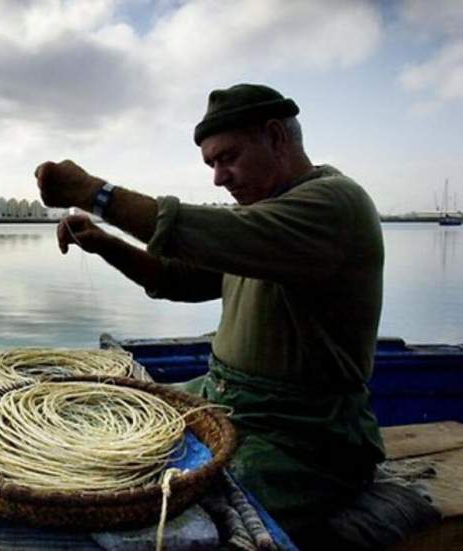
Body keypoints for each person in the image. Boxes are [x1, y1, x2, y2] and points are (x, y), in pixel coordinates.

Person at [34, 83, 386, 544]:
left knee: (186, 515)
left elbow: (191, 230)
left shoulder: (333, 205)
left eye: (228, 157)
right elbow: (180, 277)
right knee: (112, 427)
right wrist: (104, 243)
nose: (219, 177)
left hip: (301, 435)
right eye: (211, 164)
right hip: (222, 395)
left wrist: (94, 193)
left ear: (277, 137)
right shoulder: (260, 218)